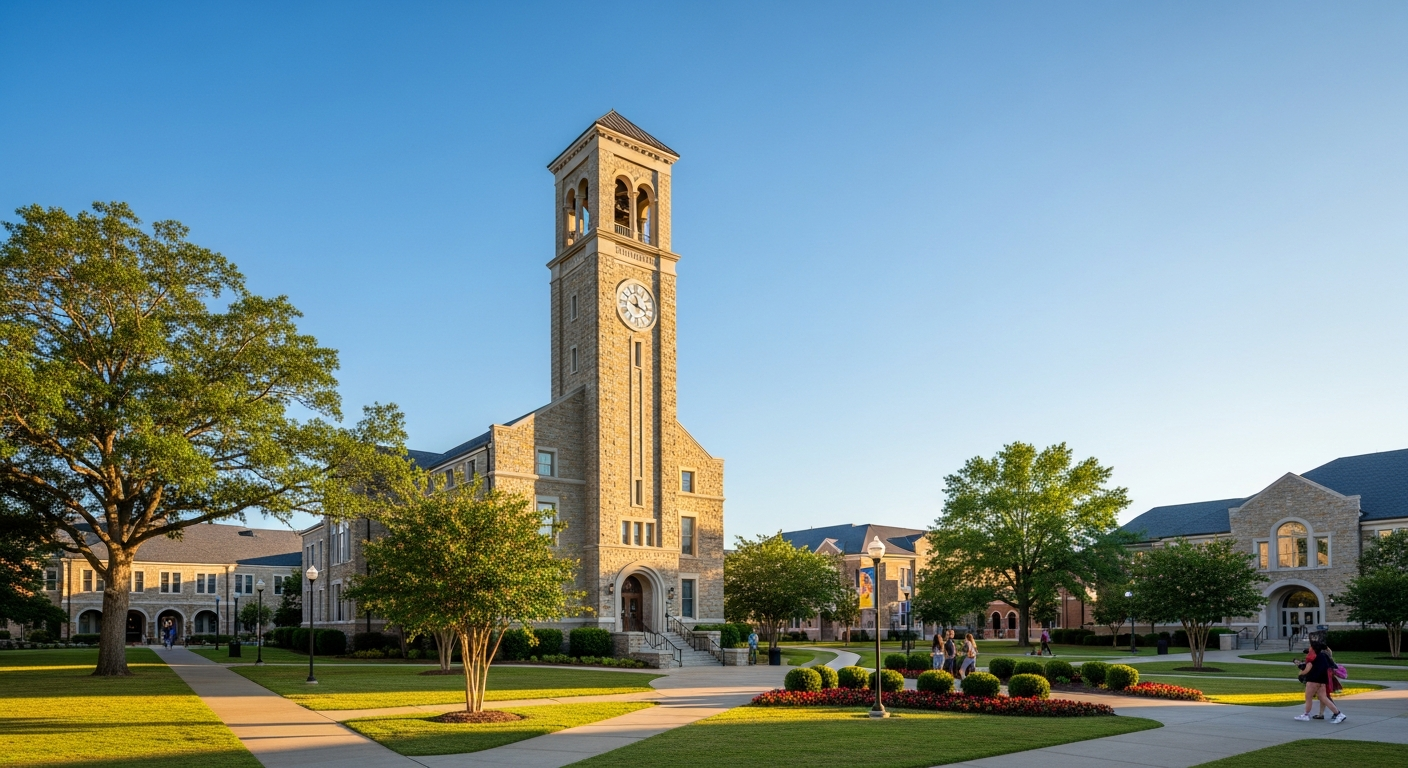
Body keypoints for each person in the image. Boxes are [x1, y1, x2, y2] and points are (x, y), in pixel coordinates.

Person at [1295, 640, 1346, 723]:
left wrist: (1301, 674)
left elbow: (1308, 668)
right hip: (1323, 680)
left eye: (1310, 646)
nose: (1309, 648)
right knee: (1324, 698)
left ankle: (1306, 714)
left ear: (1313, 648)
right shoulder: (1324, 655)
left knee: (1308, 697)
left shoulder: (1312, 657)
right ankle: (1338, 713)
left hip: (1313, 679)